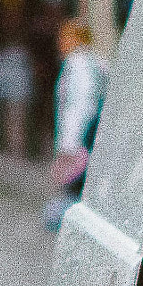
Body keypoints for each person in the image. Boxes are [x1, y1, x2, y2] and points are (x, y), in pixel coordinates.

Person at [46, 18, 109, 229]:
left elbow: (80, 103)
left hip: (78, 136)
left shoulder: (78, 63)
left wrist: (70, 141)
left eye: (64, 37)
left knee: (73, 181)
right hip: (91, 135)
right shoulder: (97, 62)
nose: (60, 42)